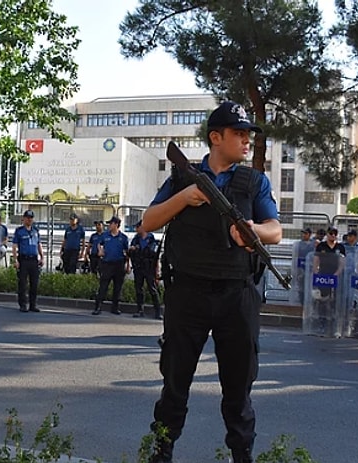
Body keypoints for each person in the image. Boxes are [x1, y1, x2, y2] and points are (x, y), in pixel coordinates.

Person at [141, 101, 281, 463]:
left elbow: (276, 230)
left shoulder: (254, 182)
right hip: (187, 294)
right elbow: (148, 221)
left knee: (239, 389)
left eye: (249, 134)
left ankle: (242, 455)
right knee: (175, 384)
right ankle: (161, 452)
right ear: (215, 138)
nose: (247, 140)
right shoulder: (182, 179)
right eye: (239, 134)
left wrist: (253, 231)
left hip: (237, 295)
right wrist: (185, 198)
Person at [92, 216, 130, 315]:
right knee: (103, 286)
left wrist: (128, 265)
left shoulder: (123, 238)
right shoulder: (105, 235)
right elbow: (99, 244)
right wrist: (100, 250)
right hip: (107, 264)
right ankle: (98, 307)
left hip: (119, 264)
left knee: (118, 287)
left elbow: (127, 252)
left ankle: (115, 308)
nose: (109, 225)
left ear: (116, 225)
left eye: (111, 223)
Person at [128, 220, 162, 319]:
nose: (136, 229)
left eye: (137, 227)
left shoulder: (151, 239)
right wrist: (132, 249)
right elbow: (130, 252)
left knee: (152, 289)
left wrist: (157, 270)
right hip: (138, 267)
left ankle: (157, 312)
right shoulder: (136, 239)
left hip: (149, 268)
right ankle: (140, 310)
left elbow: (155, 256)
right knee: (139, 289)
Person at [12, 210, 43, 312]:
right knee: (23, 284)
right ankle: (23, 305)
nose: (29, 219)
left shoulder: (35, 231)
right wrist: (15, 260)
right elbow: (15, 246)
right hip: (23, 259)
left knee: (34, 284)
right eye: (27, 217)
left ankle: (33, 305)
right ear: (23, 218)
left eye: (31, 218)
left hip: (34, 260)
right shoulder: (19, 231)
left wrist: (42, 257)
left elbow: (39, 244)